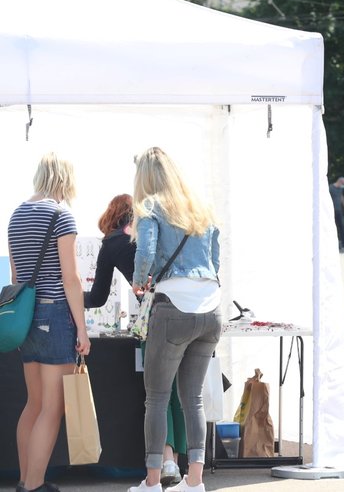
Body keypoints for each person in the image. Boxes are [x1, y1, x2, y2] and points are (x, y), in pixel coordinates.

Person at [129, 147, 222, 492]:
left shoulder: (150, 206)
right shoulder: (200, 206)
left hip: (173, 308)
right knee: (193, 399)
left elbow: (146, 252)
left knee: (156, 397)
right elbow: (215, 258)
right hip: (211, 307)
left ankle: (152, 483)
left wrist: (141, 280)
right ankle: (194, 482)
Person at [85, 193, 184, 487]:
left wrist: (71, 298)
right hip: (189, 308)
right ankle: (180, 466)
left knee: (158, 391)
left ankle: (165, 461)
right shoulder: (164, 230)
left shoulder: (113, 244)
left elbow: (98, 297)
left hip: (155, 317)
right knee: (184, 393)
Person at [8, 153, 90, 492]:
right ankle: (36, 485)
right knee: (53, 408)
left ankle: (25, 479)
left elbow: (15, 276)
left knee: (34, 403)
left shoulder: (15, 215)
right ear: (65, 179)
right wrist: (82, 328)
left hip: (25, 316)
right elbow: (70, 278)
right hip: (55, 314)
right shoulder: (62, 215)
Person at [329, 177, 344, 248]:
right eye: (343, 184)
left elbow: (341, 197)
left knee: (342, 226)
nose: (343, 185)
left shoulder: (340, 189)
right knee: (333, 227)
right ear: (340, 182)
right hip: (331, 210)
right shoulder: (330, 188)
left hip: (339, 210)